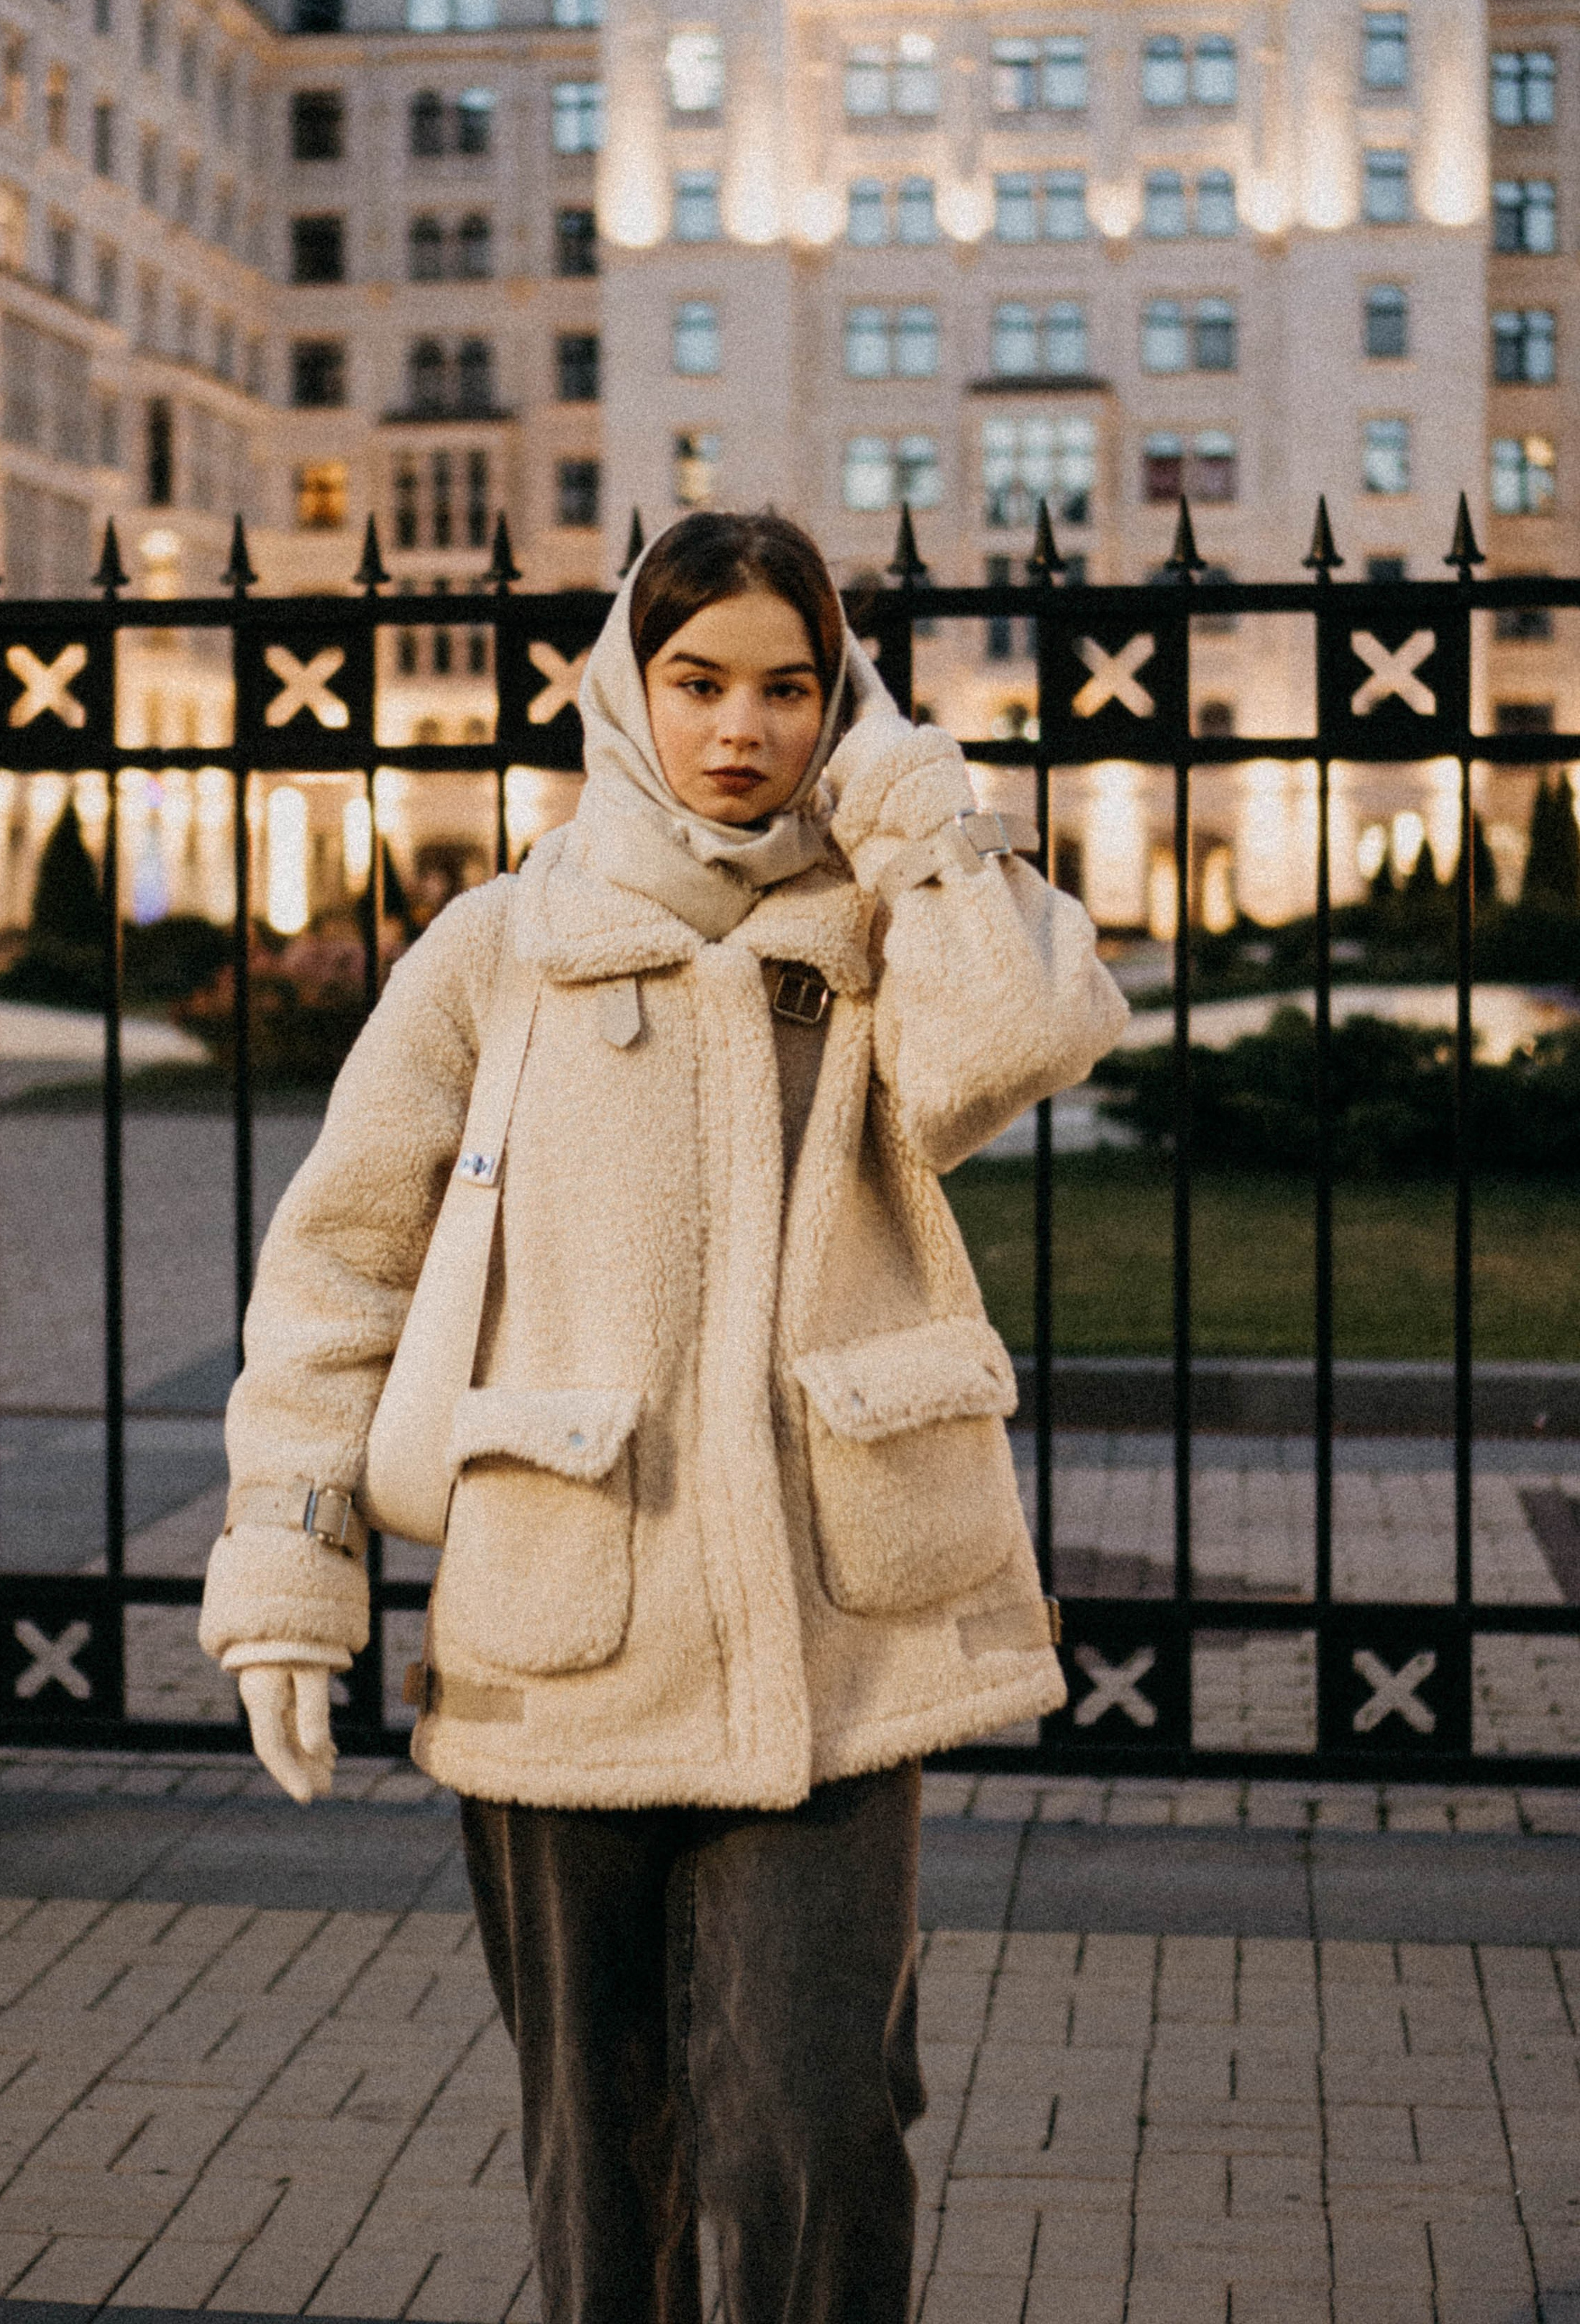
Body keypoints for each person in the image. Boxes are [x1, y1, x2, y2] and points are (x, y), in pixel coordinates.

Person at [200, 511, 1127, 2324]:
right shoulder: (498, 948)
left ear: (836, 702)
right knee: (600, 2139)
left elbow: (1017, 1039)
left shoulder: (878, 923)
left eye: (790, 688)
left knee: (818, 2117)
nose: (739, 730)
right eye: (696, 682)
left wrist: (915, 803)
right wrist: (292, 1577)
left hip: (833, 1634)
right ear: (625, 688)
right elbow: (337, 1271)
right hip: (565, 1623)